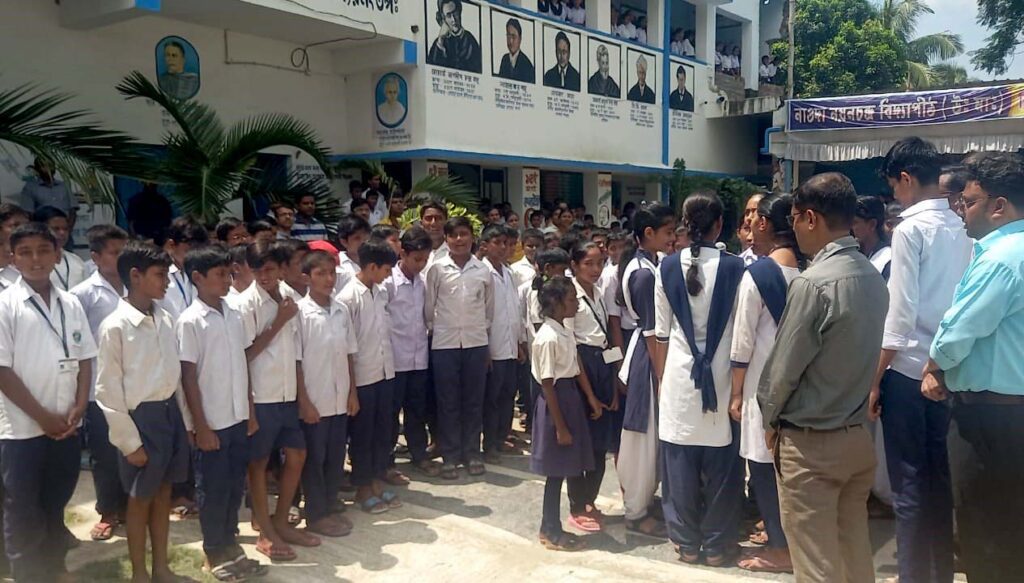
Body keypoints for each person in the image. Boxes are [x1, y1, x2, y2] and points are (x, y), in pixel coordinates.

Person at [758, 172, 888, 583]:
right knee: (853, 556)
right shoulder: (872, 275)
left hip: (811, 444)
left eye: (794, 217)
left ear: (810, 218)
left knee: (816, 566)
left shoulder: (813, 283)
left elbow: (782, 371)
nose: (794, 227)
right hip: (855, 436)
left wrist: (769, 420)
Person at [870, 137, 971, 583]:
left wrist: (874, 378)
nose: (896, 196)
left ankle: (914, 576)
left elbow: (900, 315)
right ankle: (939, 573)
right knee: (938, 480)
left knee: (909, 485)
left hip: (909, 371)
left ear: (906, 179)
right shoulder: (963, 226)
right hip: (950, 370)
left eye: (895, 186)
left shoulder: (909, 230)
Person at [923, 151, 1024, 583]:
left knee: (987, 538)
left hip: (991, 420)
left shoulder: (1001, 259)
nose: (960, 210)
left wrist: (934, 367)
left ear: (998, 205)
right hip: (1008, 415)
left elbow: (957, 333)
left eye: (967, 201)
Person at [0, 222, 95, 583]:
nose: (35, 259)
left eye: (43, 250)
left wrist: (80, 405)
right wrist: (42, 417)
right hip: (22, 429)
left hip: (67, 425)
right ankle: (27, 573)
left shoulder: (70, 303)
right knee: (22, 506)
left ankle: (55, 568)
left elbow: (85, 358)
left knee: (56, 502)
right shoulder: (6, 305)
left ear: (57, 254)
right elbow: (2, 371)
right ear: (13, 257)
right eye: (25, 252)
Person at [653, 193, 743, 567]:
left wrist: (662, 381)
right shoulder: (737, 267)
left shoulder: (666, 267)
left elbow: (660, 334)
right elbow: (741, 333)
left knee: (679, 464)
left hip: (679, 374)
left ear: (685, 224)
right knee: (722, 465)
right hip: (722, 375)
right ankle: (718, 546)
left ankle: (687, 544)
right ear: (719, 225)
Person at [94, 241, 193, 583]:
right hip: (140, 421)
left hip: (169, 414)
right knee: (139, 499)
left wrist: (185, 422)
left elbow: (174, 376)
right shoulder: (115, 326)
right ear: (135, 276)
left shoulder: (164, 318)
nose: (166, 282)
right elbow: (108, 390)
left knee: (163, 493)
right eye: (160, 275)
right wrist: (129, 442)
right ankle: (139, 572)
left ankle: (161, 568)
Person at [176, 245, 266, 581]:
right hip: (212, 421)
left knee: (232, 488)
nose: (227, 280)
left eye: (229, 274)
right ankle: (213, 550)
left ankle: (231, 545)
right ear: (198, 278)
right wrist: (200, 426)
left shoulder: (233, 313)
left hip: (237, 417)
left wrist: (250, 411)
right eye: (219, 275)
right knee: (212, 490)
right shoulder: (190, 321)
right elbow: (188, 377)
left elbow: (242, 363)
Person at [729, 194, 801, 574]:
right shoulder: (808, 270)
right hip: (799, 385)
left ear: (764, 224)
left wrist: (736, 392)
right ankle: (791, 539)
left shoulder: (757, 275)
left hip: (762, 386)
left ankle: (780, 547)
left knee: (761, 465)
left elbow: (742, 342)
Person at [234, 241, 318, 560]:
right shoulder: (246, 304)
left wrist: (302, 396)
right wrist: (279, 321)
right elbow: (246, 354)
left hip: (287, 393)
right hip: (261, 395)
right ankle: (265, 529)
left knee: (297, 453)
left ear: (281, 268)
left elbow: (295, 351)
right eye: (257, 270)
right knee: (257, 462)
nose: (263, 276)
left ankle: (281, 520)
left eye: (269, 268)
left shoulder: (288, 296)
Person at [616, 204, 675, 538]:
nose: (672, 238)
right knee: (642, 434)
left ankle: (643, 500)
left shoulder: (650, 264)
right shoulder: (643, 274)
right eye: (668, 232)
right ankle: (635, 511)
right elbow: (653, 331)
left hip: (648, 352)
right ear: (649, 233)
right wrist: (661, 374)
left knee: (650, 433)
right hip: (648, 356)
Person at [531, 276, 601, 552]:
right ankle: (550, 529)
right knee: (555, 472)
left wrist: (590, 398)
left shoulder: (563, 330)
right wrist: (560, 427)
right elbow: (547, 383)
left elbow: (575, 364)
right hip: (556, 404)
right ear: (556, 303)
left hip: (569, 397)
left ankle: (551, 526)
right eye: (571, 300)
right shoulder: (547, 337)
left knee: (561, 469)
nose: (576, 305)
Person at [69, 225, 130, 543]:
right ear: (95, 257)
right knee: (104, 454)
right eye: (113, 253)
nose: (120, 258)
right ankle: (107, 511)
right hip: (99, 388)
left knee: (133, 449)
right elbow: (77, 344)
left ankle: (132, 508)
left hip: (133, 385)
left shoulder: (136, 285)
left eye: (123, 251)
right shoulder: (83, 295)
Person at [296, 249, 359, 538]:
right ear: (306, 278)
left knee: (335, 456)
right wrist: (304, 402)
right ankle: (316, 514)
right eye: (320, 273)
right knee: (314, 459)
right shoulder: (300, 313)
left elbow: (349, 354)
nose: (328, 279)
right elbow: (296, 361)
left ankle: (330, 505)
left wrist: (352, 393)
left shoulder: (341, 310)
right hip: (315, 399)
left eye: (332, 273)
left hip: (339, 397)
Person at [425, 217, 494, 479]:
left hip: (476, 343)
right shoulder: (437, 269)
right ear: (446, 239)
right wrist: (437, 329)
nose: (459, 240)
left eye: (464, 234)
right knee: (448, 402)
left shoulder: (482, 270)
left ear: (472, 237)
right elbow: (429, 307)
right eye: (453, 235)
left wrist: (482, 335)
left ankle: (472, 453)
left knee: (474, 401)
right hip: (445, 344)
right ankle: (451, 455)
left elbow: (489, 309)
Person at [338, 239, 400, 514]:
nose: (388, 275)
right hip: (362, 378)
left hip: (384, 372)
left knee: (381, 432)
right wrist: (351, 391)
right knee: (362, 435)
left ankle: (375, 480)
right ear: (372, 267)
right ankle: (362, 486)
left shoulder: (380, 292)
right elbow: (348, 349)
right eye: (386, 269)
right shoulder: (348, 298)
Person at [565, 240, 620, 533]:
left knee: (600, 443)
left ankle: (590, 499)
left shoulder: (599, 293)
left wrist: (613, 381)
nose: (596, 269)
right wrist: (589, 395)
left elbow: (607, 341)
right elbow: (572, 349)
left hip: (602, 363)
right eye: (588, 263)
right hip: (582, 368)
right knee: (581, 442)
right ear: (574, 265)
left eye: (600, 263)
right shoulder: (569, 296)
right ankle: (577, 504)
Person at [383, 228, 439, 477]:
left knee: (417, 411)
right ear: (403, 254)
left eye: (425, 259)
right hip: (395, 359)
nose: (421, 264)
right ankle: (387, 462)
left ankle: (419, 454)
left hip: (418, 358)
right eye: (417, 259)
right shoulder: (389, 283)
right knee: (391, 414)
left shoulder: (423, 282)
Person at [481, 225, 526, 465]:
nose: (503, 248)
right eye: (497, 243)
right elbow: (482, 314)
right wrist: (485, 348)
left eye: (506, 244)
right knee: (492, 398)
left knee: (508, 394)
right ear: (485, 245)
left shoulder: (508, 273)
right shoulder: (483, 273)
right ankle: (489, 444)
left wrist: (519, 342)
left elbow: (514, 311)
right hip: (493, 346)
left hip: (510, 345)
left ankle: (501, 437)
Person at [157, 216, 209, 322]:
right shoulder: (159, 273)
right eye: (189, 249)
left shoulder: (197, 272)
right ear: (172, 245)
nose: (194, 254)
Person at [32, 206, 86, 292]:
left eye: (65, 229)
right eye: (56, 229)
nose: (62, 233)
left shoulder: (76, 260)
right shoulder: (32, 262)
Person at [427, 0, 482, 73]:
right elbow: (431, 69)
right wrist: (441, 40)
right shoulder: (439, 43)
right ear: (444, 19)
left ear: (459, 12)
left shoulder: (471, 40)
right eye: (448, 15)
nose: (453, 19)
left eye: (455, 13)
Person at [852, 195, 892, 280]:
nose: (851, 228)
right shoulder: (854, 255)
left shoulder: (888, 259)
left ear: (872, 224)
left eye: (855, 222)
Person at [498, 18, 535, 83]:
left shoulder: (527, 64)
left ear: (520, 39)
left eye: (513, 37)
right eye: (508, 36)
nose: (510, 41)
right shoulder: (505, 59)